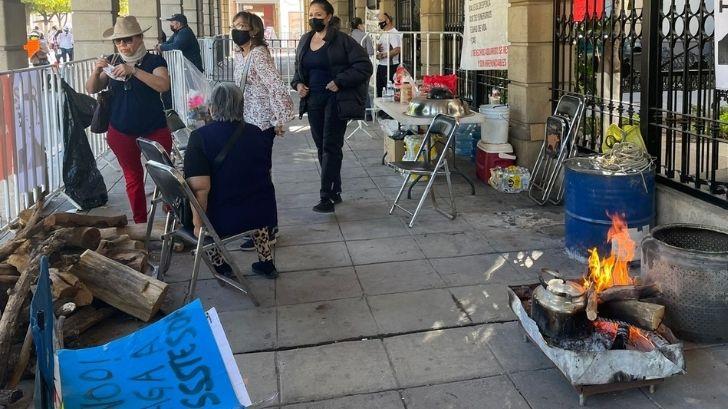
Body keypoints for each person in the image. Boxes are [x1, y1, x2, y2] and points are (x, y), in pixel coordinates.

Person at [183, 83, 279, 279]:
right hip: (262, 215)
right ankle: (266, 262)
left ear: (212, 107)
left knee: (199, 208)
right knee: (255, 193)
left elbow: (200, 189)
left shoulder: (200, 137)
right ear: (241, 106)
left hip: (223, 218)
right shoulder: (259, 133)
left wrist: (197, 225)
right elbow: (264, 171)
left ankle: (221, 265)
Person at [85, 16, 172, 224]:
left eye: (128, 40)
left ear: (140, 38)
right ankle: (140, 222)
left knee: (166, 175)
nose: (123, 45)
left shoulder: (154, 61)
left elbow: (163, 85)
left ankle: (173, 218)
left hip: (154, 128)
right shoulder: (113, 61)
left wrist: (134, 70)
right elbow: (91, 88)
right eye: (118, 41)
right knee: (132, 178)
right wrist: (97, 72)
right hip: (121, 130)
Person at [292, 0, 372, 213]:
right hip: (313, 101)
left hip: (336, 101)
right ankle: (335, 189)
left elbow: (364, 66)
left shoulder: (343, 41)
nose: (313, 18)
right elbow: (298, 69)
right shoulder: (305, 40)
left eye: (318, 14)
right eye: (311, 14)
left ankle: (325, 196)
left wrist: (340, 81)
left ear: (328, 17)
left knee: (331, 146)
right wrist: (298, 84)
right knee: (321, 147)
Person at [231, 11, 294, 249]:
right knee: (253, 176)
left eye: (242, 26)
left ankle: (267, 230)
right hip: (246, 121)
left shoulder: (258, 55)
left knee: (259, 177)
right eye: (235, 25)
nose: (237, 30)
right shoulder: (241, 54)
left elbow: (276, 86)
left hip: (261, 123)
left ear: (254, 30)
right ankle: (259, 227)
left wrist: (279, 119)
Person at [375, 12, 401, 97]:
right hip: (382, 65)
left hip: (390, 66)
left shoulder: (393, 33)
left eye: (381, 20)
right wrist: (378, 49)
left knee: (389, 92)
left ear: (388, 20)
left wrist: (384, 55)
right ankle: (381, 110)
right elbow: (381, 47)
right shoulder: (384, 33)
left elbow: (397, 49)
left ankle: (387, 110)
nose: (379, 23)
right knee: (380, 91)